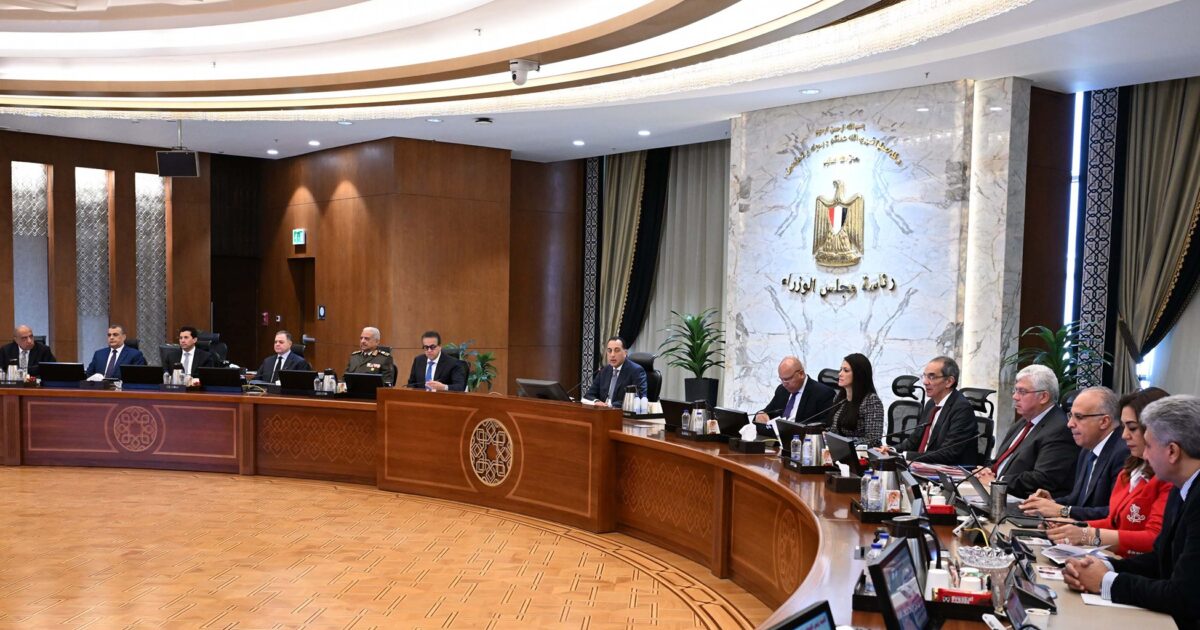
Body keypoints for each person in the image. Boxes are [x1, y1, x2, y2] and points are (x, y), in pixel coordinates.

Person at [1063, 395, 1200, 628]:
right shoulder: (1181, 489)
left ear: (1172, 451)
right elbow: (1160, 560)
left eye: (1149, 446)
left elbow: (1183, 596)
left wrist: (1106, 582)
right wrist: (1105, 567)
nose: (1144, 456)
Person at [1042, 388, 1171, 555]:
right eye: (1123, 427)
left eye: (1132, 428)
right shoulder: (1128, 471)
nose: (1124, 435)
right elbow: (1113, 521)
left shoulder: (1167, 477)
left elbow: (1154, 539)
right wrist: (1073, 526)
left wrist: (1086, 534)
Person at [1019, 386, 1129, 520]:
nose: (1070, 424)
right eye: (1070, 416)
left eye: (1079, 417)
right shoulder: (1087, 450)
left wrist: (1063, 511)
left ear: (1104, 421)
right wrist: (1050, 503)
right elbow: (1077, 499)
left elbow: (1115, 512)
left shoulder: (1123, 453)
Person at [974, 364, 1078, 497]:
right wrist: (986, 471)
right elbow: (1001, 461)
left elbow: (1043, 478)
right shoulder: (1024, 421)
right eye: (1015, 390)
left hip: (1024, 500)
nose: (1015, 397)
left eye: (1022, 392)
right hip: (997, 492)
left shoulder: (1060, 429)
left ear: (1043, 397)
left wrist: (997, 482)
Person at [888, 356, 979, 466]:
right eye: (924, 376)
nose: (925, 382)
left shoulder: (962, 409)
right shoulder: (931, 404)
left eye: (931, 377)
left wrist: (904, 456)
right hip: (925, 466)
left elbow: (947, 454)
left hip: (950, 471)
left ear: (949, 381)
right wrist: (892, 451)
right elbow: (914, 441)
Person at [753, 356, 836, 435]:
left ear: (801, 374)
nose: (784, 384)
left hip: (802, 440)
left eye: (787, 379)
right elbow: (769, 411)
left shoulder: (823, 393)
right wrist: (761, 414)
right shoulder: (782, 390)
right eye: (781, 379)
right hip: (778, 439)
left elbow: (824, 425)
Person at [828, 353, 884, 447]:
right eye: (840, 369)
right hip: (839, 450)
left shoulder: (871, 401)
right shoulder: (840, 398)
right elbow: (834, 430)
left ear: (858, 374)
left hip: (861, 454)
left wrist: (842, 442)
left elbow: (873, 440)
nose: (840, 374)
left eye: (846, 370)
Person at [582, 336, 647, 408]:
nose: (612, 355)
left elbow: (638, 397)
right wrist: (596, 401)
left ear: (625, 353)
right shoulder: (604, 371)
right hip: (603, 412)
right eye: (609, 351)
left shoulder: (636, 371)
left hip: (622, 413)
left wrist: (610, 406)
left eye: (617, 350)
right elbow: (588, 395)